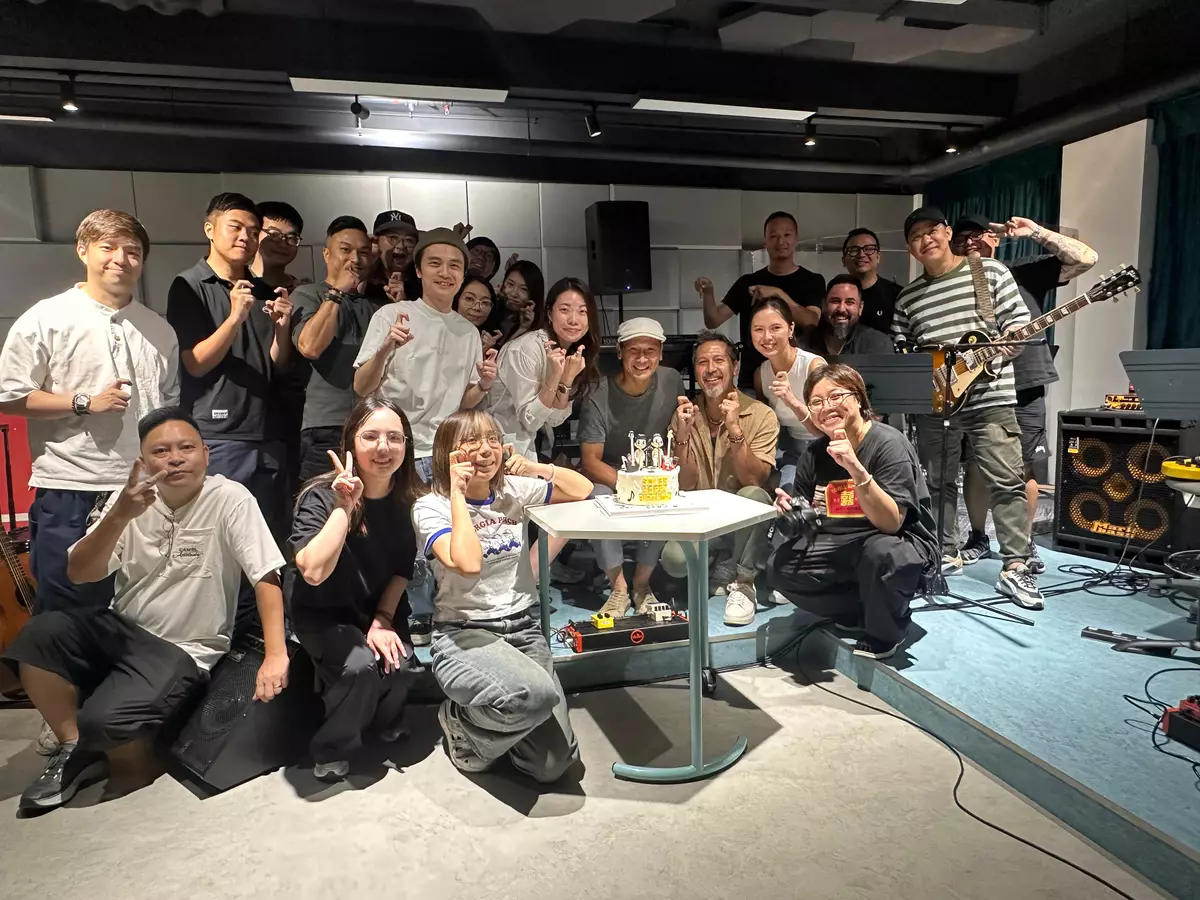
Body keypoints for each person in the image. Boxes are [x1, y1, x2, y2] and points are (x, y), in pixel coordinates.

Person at [2, 407, 289, 811]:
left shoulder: (230, 498)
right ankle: (72, 746)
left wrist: (276, 654)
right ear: (143, 460)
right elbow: (80, 572)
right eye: (161, 451)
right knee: (38, 635)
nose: (175, 459)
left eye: (186, 448)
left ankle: (120, 750)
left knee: (105, 724)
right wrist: (121, 515)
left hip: (184, 648)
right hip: (122, 629)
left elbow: (265, 576)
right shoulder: (128, 500)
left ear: (206, 454)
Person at [0, 210, 178, 616]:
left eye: (132, 251)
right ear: (83, 250)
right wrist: (83, 402)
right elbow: (8, 396)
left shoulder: (159, 329)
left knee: (142, 610)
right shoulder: (46, 318)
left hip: (143, 492)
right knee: (66, 616)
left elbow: (168, 408)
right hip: (71, 489)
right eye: (108, 247)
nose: (121, 259)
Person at [413, 409, 590, 781]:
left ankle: (504, 725)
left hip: (523, 629)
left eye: (492, 439)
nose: (485, 449)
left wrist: (534, 467)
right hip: (464, 634)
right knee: (535, 696)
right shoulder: (431, 506)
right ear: (447, 453)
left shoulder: (513, 490)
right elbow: (468, 563)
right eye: (471, 441)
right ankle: (461, 720)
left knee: (553, 765)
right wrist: (458, 494)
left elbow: (582, 490)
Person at [892, 207, 1044, 610]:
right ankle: (945, 551)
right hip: (936, 403)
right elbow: (902, 349)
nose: (925, 240)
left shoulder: (989, 272)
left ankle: (1016, 565)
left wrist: (1000, 350)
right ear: (910, 249)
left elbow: (1017, 327)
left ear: (946, 233)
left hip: (990, 397)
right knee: (938, 482)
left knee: (1006, 480)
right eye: (916, 237)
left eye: (931, 231)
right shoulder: (908, 297)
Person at [354, 226, 498, 644]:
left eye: (454, 265)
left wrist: (483, 385)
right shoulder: (392, 316)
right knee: (403, 539)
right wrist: (386, 348)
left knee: (441, 537)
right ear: (418, 270)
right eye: (435, 263)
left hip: (445, 451)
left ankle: (444, 620)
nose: (445, 272)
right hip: (398, 449)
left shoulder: (467, 332)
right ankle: (407, 619)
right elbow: (361, 387)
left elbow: (464, 402)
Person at [951, 215, 1098, 574]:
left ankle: (1022, 541)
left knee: (1023, 466)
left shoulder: (1022, 272)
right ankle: (977, 537)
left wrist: (1034, 232)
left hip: (1024, 383)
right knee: (975, 464)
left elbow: (1086, 258)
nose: (970, 242)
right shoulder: (951, 285)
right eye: (962, 237)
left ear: (995, 238)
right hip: (974, 386)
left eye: (978, 235)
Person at [287, 398, 423, 781]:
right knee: (360, 666)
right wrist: (344, 507)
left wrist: (382, 620)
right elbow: (312, 571)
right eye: (370, 436)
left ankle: (377, 721)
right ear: (351, 443)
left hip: (374, 608)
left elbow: (402, 569)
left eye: (394, 438)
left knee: (401, 663)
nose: (383, 447)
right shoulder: (320, 496)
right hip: (323, 613)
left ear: (406, 445)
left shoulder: (409, 499)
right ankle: (333, 746)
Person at [769, 364, 937, 660]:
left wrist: (856, 469)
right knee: (781, 567)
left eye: (836, 396)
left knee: (882, 553)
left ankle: (887, 632)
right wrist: (791, 512)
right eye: (816, 402)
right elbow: (808, 519)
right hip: (840, 543)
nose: (826, 407)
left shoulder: (888, 445)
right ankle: (854, 611)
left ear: (858, 399)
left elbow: (891, 523)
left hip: (895, 542)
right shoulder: (814, 454)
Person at [166, 192, 294, 537]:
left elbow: (276, 365)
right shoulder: (189, 285)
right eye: (235, 227)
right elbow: (195, 363)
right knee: (219, 539)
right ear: (210, 230)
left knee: (269, 541)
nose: (245, 238)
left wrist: (283, 330)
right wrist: (235, 316)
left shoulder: (265, 290)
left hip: (269, 434)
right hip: (219, 435)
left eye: (253, 232)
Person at [662, 332, 779, 626]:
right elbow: (684, 483)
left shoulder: (762, 414)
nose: (710, 369)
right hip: (701, 520)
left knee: (754, 495)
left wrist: (735, 429)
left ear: (735, 367)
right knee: (674, 561)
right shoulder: (684, 414)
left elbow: (755, 479)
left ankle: (744, 582)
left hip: (741, 522)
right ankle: (722, 562)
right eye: (702, 362)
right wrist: (682, 437)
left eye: (718, 360)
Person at [578, 317, 684, 617]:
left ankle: (642, 584)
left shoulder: (672, 380)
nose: (642, 359)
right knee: (596, 497)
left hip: (652, 471)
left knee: (664, 492)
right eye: (634, 350)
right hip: (610, 474)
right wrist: (631, 487)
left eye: (650, 351)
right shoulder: (598, 394)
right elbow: (590, 461)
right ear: (620, 352)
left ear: (660, 353)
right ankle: (619, 588)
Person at [291, 216, 382, 481]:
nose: (355, 258)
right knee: (322, 501)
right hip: (325, 426)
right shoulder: (307, 294)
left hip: (373, 424)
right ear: (326, 254)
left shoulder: (378, 306)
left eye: (363, 252)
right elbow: (310, 347)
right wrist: (337, 292)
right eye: (345, 249)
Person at [697, 211, 825, 392]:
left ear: (796, 239)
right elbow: (714, 320)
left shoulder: (812, 280)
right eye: (774, 236)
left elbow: (812, 320)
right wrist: (708, 293)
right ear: (765, 242)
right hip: (752, 377)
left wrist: (778, 294)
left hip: (797, 377)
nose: (781, 241)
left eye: (787, 235)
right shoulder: (747, 282)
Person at [490, 276, 600, 460]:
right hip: (501, 450)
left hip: (532, 452)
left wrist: (566, 379)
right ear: (549, 313)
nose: (574, 320)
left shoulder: (574, 353)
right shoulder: (526, 348)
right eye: (564, 310)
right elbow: (531, 420)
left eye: (582, 311)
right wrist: (554, 376)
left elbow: (555, 419)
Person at [252, 201, 308, 498]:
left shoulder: (304, 292)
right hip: (246, 418)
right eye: (272, 234)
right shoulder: (234, 289)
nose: (282, 243)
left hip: (294, 417)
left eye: (291, 237)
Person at [750, 298, 824, 492]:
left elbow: (825, 428)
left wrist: (791, 400)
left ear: (790, 329)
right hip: (790, 451)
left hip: (825, 449)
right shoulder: (761, 373)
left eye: (775, 328)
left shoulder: (813, 366)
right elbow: (766, 424)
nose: (767, 337)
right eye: (758, 329)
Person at [801, 275, 896, 360]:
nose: (841, 309)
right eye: (835, 301)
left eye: (849, 302)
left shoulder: (877, 344)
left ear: (860, 308)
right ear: (824, 305)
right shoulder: (804, 343)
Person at [841, 228, 902, 334]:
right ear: (843, 260)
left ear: (878, 257)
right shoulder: (835, 295)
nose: (861, 254)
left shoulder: (897, 296)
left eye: (869, 249)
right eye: (854, 250)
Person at [368, 210, 419, 303]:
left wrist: (403, 304)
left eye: (409, 240)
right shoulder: (365, 280)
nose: (401, 246)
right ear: (376, 242)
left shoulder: (423, 282)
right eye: (393, 238)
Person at [453, 272, 507, 354]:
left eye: (485, 302)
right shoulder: (438, 330)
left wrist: (482, 352)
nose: (477, 308)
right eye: (469, 299)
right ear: (457, 299)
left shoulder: (490, 344)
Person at [497, 258, 545, 346]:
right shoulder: (493, 310)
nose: (514, 293)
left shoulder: (539, 331)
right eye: (510, 284)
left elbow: (507, 353)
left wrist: (522, 329)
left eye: (523, 289)